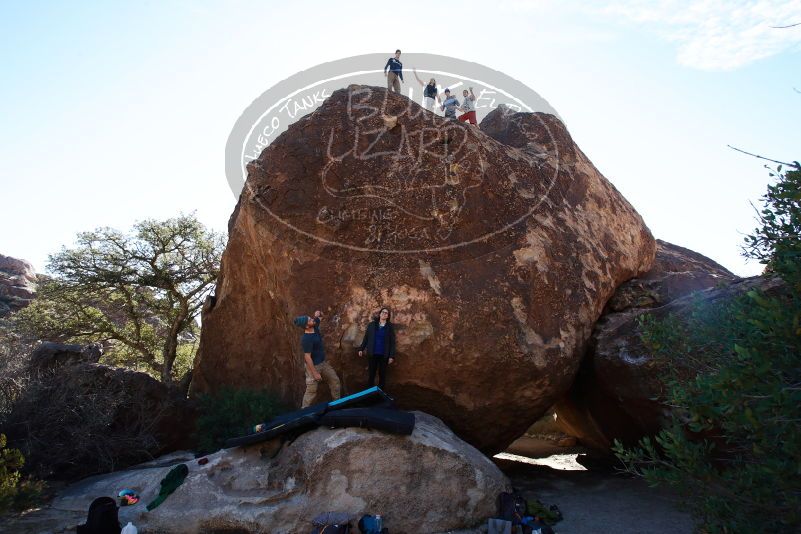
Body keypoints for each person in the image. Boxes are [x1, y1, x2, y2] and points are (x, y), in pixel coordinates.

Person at [295, 310, 341, 407]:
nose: (312, 319)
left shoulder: (314, 326)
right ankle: (303, 414)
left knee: (335, 381)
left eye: (310, 318)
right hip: (312, 367)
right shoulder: (306, 339)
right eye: (310, 320)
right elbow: (307, 357)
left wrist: (318, 313)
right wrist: (315, 373)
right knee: (311, 392)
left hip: (322, 363)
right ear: (307, 326)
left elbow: (320, 317)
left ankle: (337, 405)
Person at [357, 307, 396, 389]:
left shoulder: (390, 327)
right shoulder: (372, 325)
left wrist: (391, 356)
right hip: (372, 354)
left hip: (384, 355)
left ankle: (381, 393)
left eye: (386, 313)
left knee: (382, 374)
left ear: (388, 316)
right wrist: (361, 349)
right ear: (380, 313)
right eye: (383, 312)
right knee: (371, 374)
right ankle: (369, 393)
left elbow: (392, 342)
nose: (384, 314)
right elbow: (366, 338)